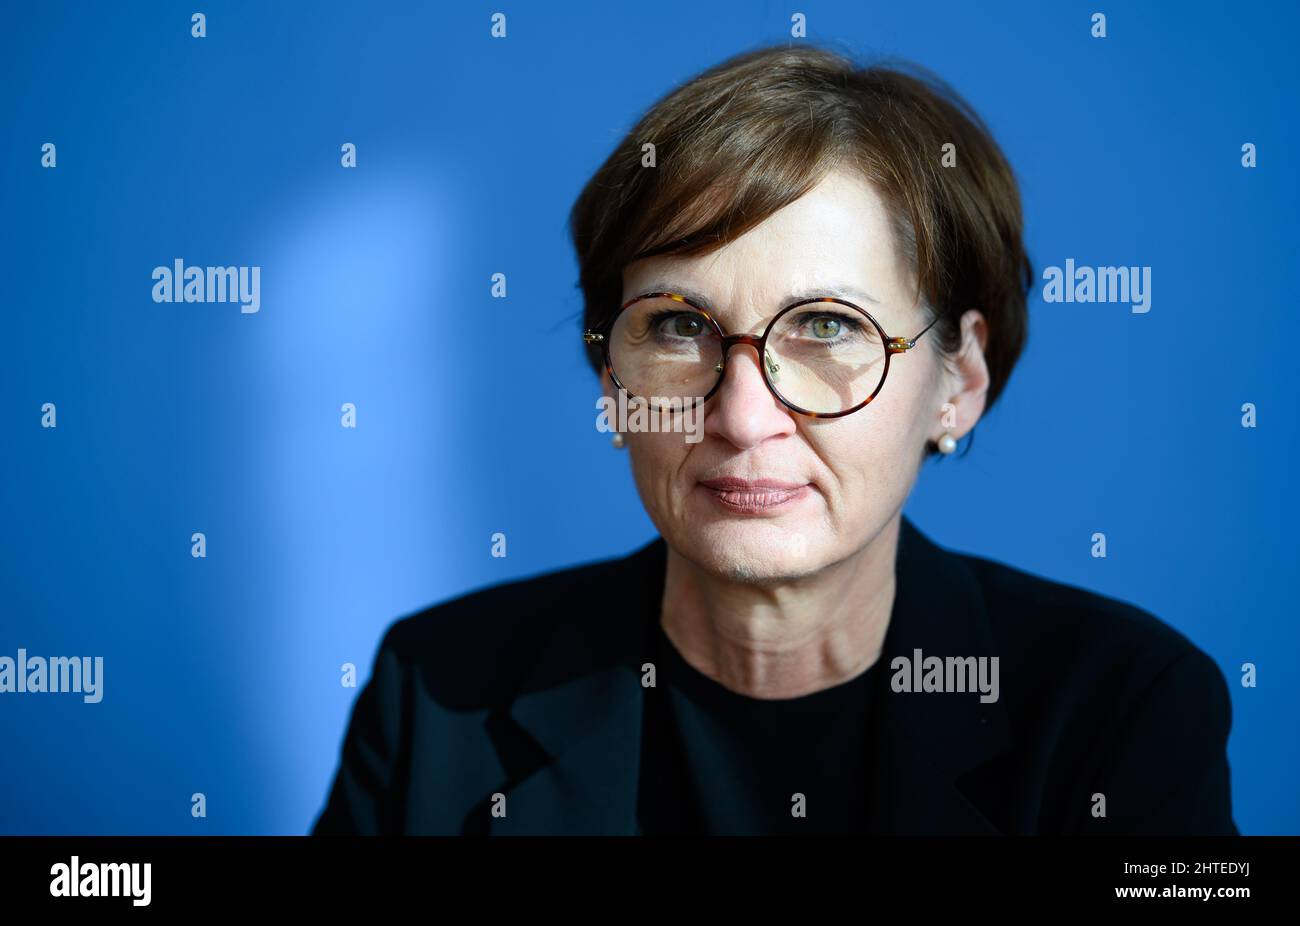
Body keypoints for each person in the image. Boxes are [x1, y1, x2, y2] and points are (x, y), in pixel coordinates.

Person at [312, 43, 1236, 836]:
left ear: (957, 383)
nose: (745, 419)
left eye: (829, 328)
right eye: (677, 329)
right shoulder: (436, 694)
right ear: (609, 379)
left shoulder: (1122, 713)